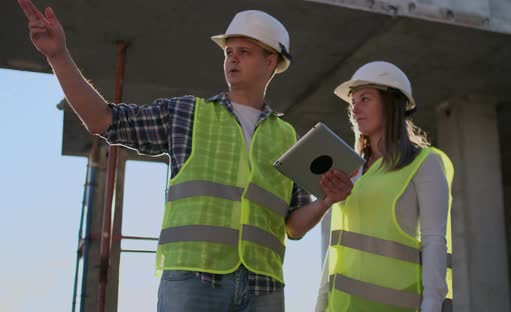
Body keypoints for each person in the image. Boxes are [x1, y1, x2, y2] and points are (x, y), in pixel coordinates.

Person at [19, 1, 353, 311]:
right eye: (229, 52)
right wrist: (58, 55)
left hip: (263, 287)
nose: (232, 59)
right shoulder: (187, 114)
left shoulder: (287, 136)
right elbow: (103, 120)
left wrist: (326, 201)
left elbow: (293, 227)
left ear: (271, 62)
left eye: (244, 52)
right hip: (193, 280)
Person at [315, 61, 454, 312]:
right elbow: (337, 246)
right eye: (353, 102)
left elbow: (434, 241)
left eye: (365, 99)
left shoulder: (424, 162)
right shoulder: (352, 169)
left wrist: (432, 306)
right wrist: (320, 304)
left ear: (392, 105)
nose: (355, 109)